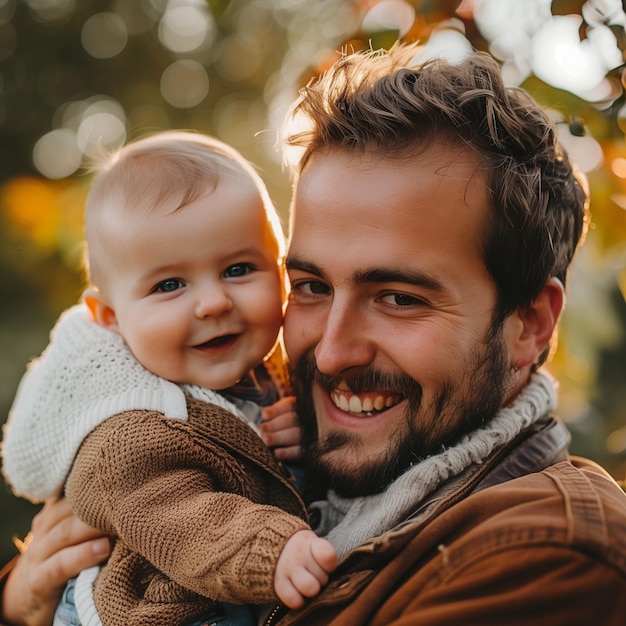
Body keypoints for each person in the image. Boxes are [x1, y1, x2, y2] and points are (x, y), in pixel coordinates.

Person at [3, 42, 626, 625]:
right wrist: (22, 599)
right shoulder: (267, 440)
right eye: (310, 286)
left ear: (531, 324)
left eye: (399, 298)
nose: (330, 353)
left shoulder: (550, 556)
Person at [1, 131, 337, 626]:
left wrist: (311, 432)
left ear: (280, 268)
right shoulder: (124, 432)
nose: (213, 302)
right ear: (111, 316)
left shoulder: (275, 369)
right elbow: (174, 515)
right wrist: (274, 549)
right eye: (170, 284)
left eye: (239, 268)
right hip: (149, 607)